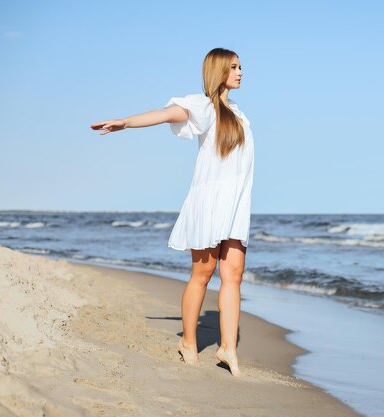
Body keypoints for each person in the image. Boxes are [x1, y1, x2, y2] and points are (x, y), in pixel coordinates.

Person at [90, 48, 254, 377]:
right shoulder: (203, 106)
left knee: (233, 274)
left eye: (240, 66)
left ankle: (227, 348)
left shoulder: (236, 111)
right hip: (209, 204)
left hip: (236, 204)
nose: (241, 72)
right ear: (219, 71)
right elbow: (165, 114)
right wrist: (126, 122)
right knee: (203, 275)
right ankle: (189, 342)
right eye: (233, 67)